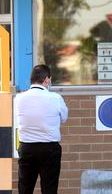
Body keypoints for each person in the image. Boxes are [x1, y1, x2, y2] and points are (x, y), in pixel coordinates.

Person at [15, 64, 68, 194]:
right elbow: (64, 118)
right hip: (49, 149)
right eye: (49, 79)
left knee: (25, 188)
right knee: (49, 189)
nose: (49, 81)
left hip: (27, 148)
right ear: (46, 79)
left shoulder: (19, 98)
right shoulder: (55, 98)